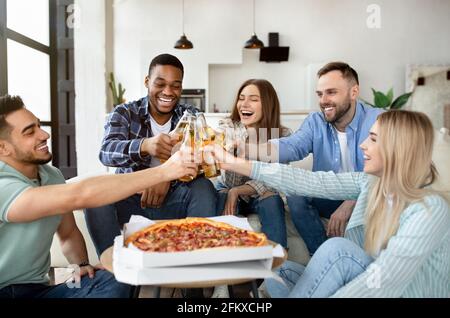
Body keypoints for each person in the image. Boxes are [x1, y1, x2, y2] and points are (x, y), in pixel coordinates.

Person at [207, 110, 449, 297]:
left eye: (373, 139)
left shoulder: (430, 209)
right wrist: (233, 162)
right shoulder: (371, 184)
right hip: (361, 280)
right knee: (278, 272)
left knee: (338, 251)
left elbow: (385, 280)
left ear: (399, 149)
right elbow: (307, 181)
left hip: (392, 289)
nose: (363, 145)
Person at [0, 95, 198, 298]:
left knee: (116, 275)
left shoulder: (51, 175)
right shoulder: (2, 184)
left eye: (39, 126)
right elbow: (80, 195)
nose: (44, 135)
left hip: (38, 291)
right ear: (2, 147)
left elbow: (67, 234)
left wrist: (81, 266)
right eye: (29, 132)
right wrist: (164, 172)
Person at [85, 54, 217, 257]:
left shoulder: (190, 114)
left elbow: (201, 159)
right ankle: (113, 270)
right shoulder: (125, 113)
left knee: (204, 187)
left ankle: (194, 269)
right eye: (160, 83)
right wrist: (145, 146)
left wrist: (166, 175)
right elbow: (106, 152)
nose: (168, 92)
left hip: (174, 200)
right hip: (131, 201)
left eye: (175, 85)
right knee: (95, 196)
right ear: (147, 82)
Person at [271, 62, 383, 255]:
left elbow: (390, 170)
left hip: (367, 197)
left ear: (353, 92)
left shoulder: (378, 121)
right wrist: (246, 149)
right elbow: (291, 147)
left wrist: (351, 202)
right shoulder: (316, 122)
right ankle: (322, 255)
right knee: (295, 192)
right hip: (328, 194)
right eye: (320, 94)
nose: (323, 100)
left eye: (331, 92)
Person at [215, 79, 291, 248]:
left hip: (260, 195)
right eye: (241, 98)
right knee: (221, 196)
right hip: (228, 188)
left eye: (254, 99)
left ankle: (277, 263)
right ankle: (220, 257)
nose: (244, 104)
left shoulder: (283, 135)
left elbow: (274, 178)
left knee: (272, 199)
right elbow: (226, 173)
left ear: (268, 104)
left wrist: (238, 191)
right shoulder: (227, 127)